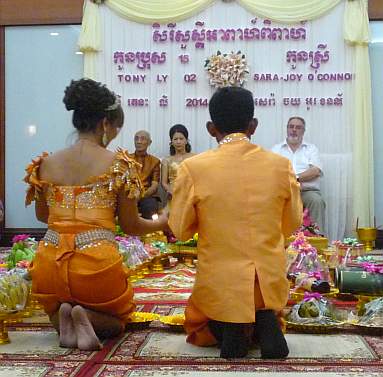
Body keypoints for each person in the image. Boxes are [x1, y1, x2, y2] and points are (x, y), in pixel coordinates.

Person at [24, 78, 168, 351]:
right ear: (105, 124)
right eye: (115, 129)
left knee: (57, 311)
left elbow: (43, 216)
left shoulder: (45, 164)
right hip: (96, 267)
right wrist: (162, 221)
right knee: (119, 320)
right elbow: (131, 225)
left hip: (49, 263)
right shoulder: (119, 165)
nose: (114, 136)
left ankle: (65, 318)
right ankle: (88, 317)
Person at [169, 87, 302, 359]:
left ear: (210, 128)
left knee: (202, 319)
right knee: (259, 289)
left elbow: (180, 229)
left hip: (220, 282)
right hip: (268, 278)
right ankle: (263, 318)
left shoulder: (194, 167)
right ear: (253, 125)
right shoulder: (281, 165)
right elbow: (292, 224)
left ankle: (231, 327)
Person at [271, 116, 325, 233]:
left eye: (298, 127)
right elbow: (272, 172)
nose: (294, 130)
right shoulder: (276, 149)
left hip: (307, 192)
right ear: (287, 129)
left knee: (317, 201)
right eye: (291, 127)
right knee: (270, 200)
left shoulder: (311, 149)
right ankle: (278, 243)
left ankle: (316, 241)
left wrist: (295, 178)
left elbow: (315, 170)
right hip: (284, 191)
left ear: (303, 131)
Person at [128, 130, 161, 219]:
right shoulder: (126, 159)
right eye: (136, 138)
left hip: (147, 194)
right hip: (128, 193)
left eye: (143, 139)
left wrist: (141, 195)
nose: (139, 141)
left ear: (149, 142)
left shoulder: (155, 161)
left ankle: (150, 232)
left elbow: (154, 185)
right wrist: (132, 194)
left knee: (150, 207)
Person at [161, 124, 195, 201]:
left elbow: (198, 178)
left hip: (191, 194)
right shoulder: (166, 160)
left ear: (186, 140)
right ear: (171, 142)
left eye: (181, 138)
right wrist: (171, 191)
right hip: (173, 195)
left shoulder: (194, 157)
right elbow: (164, 183)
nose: (178, 142)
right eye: (175, 139)